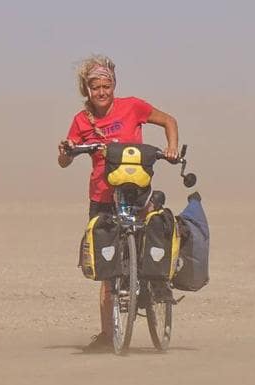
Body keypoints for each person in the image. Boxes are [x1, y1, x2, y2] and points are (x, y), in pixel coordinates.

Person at [57, 55, 179, 349]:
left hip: (137, 190)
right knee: (109, 268)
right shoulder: (81, 121)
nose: (101, 92)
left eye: (106, 86)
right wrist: (65, 151)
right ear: (86, 90)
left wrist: (172, 147)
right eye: (95, 87)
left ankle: (154, 285)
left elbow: (168, 121)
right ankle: (108, 335)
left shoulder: (133, 107)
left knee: (149, 240)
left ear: (114, 86)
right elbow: (65, 160)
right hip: (102, 197)